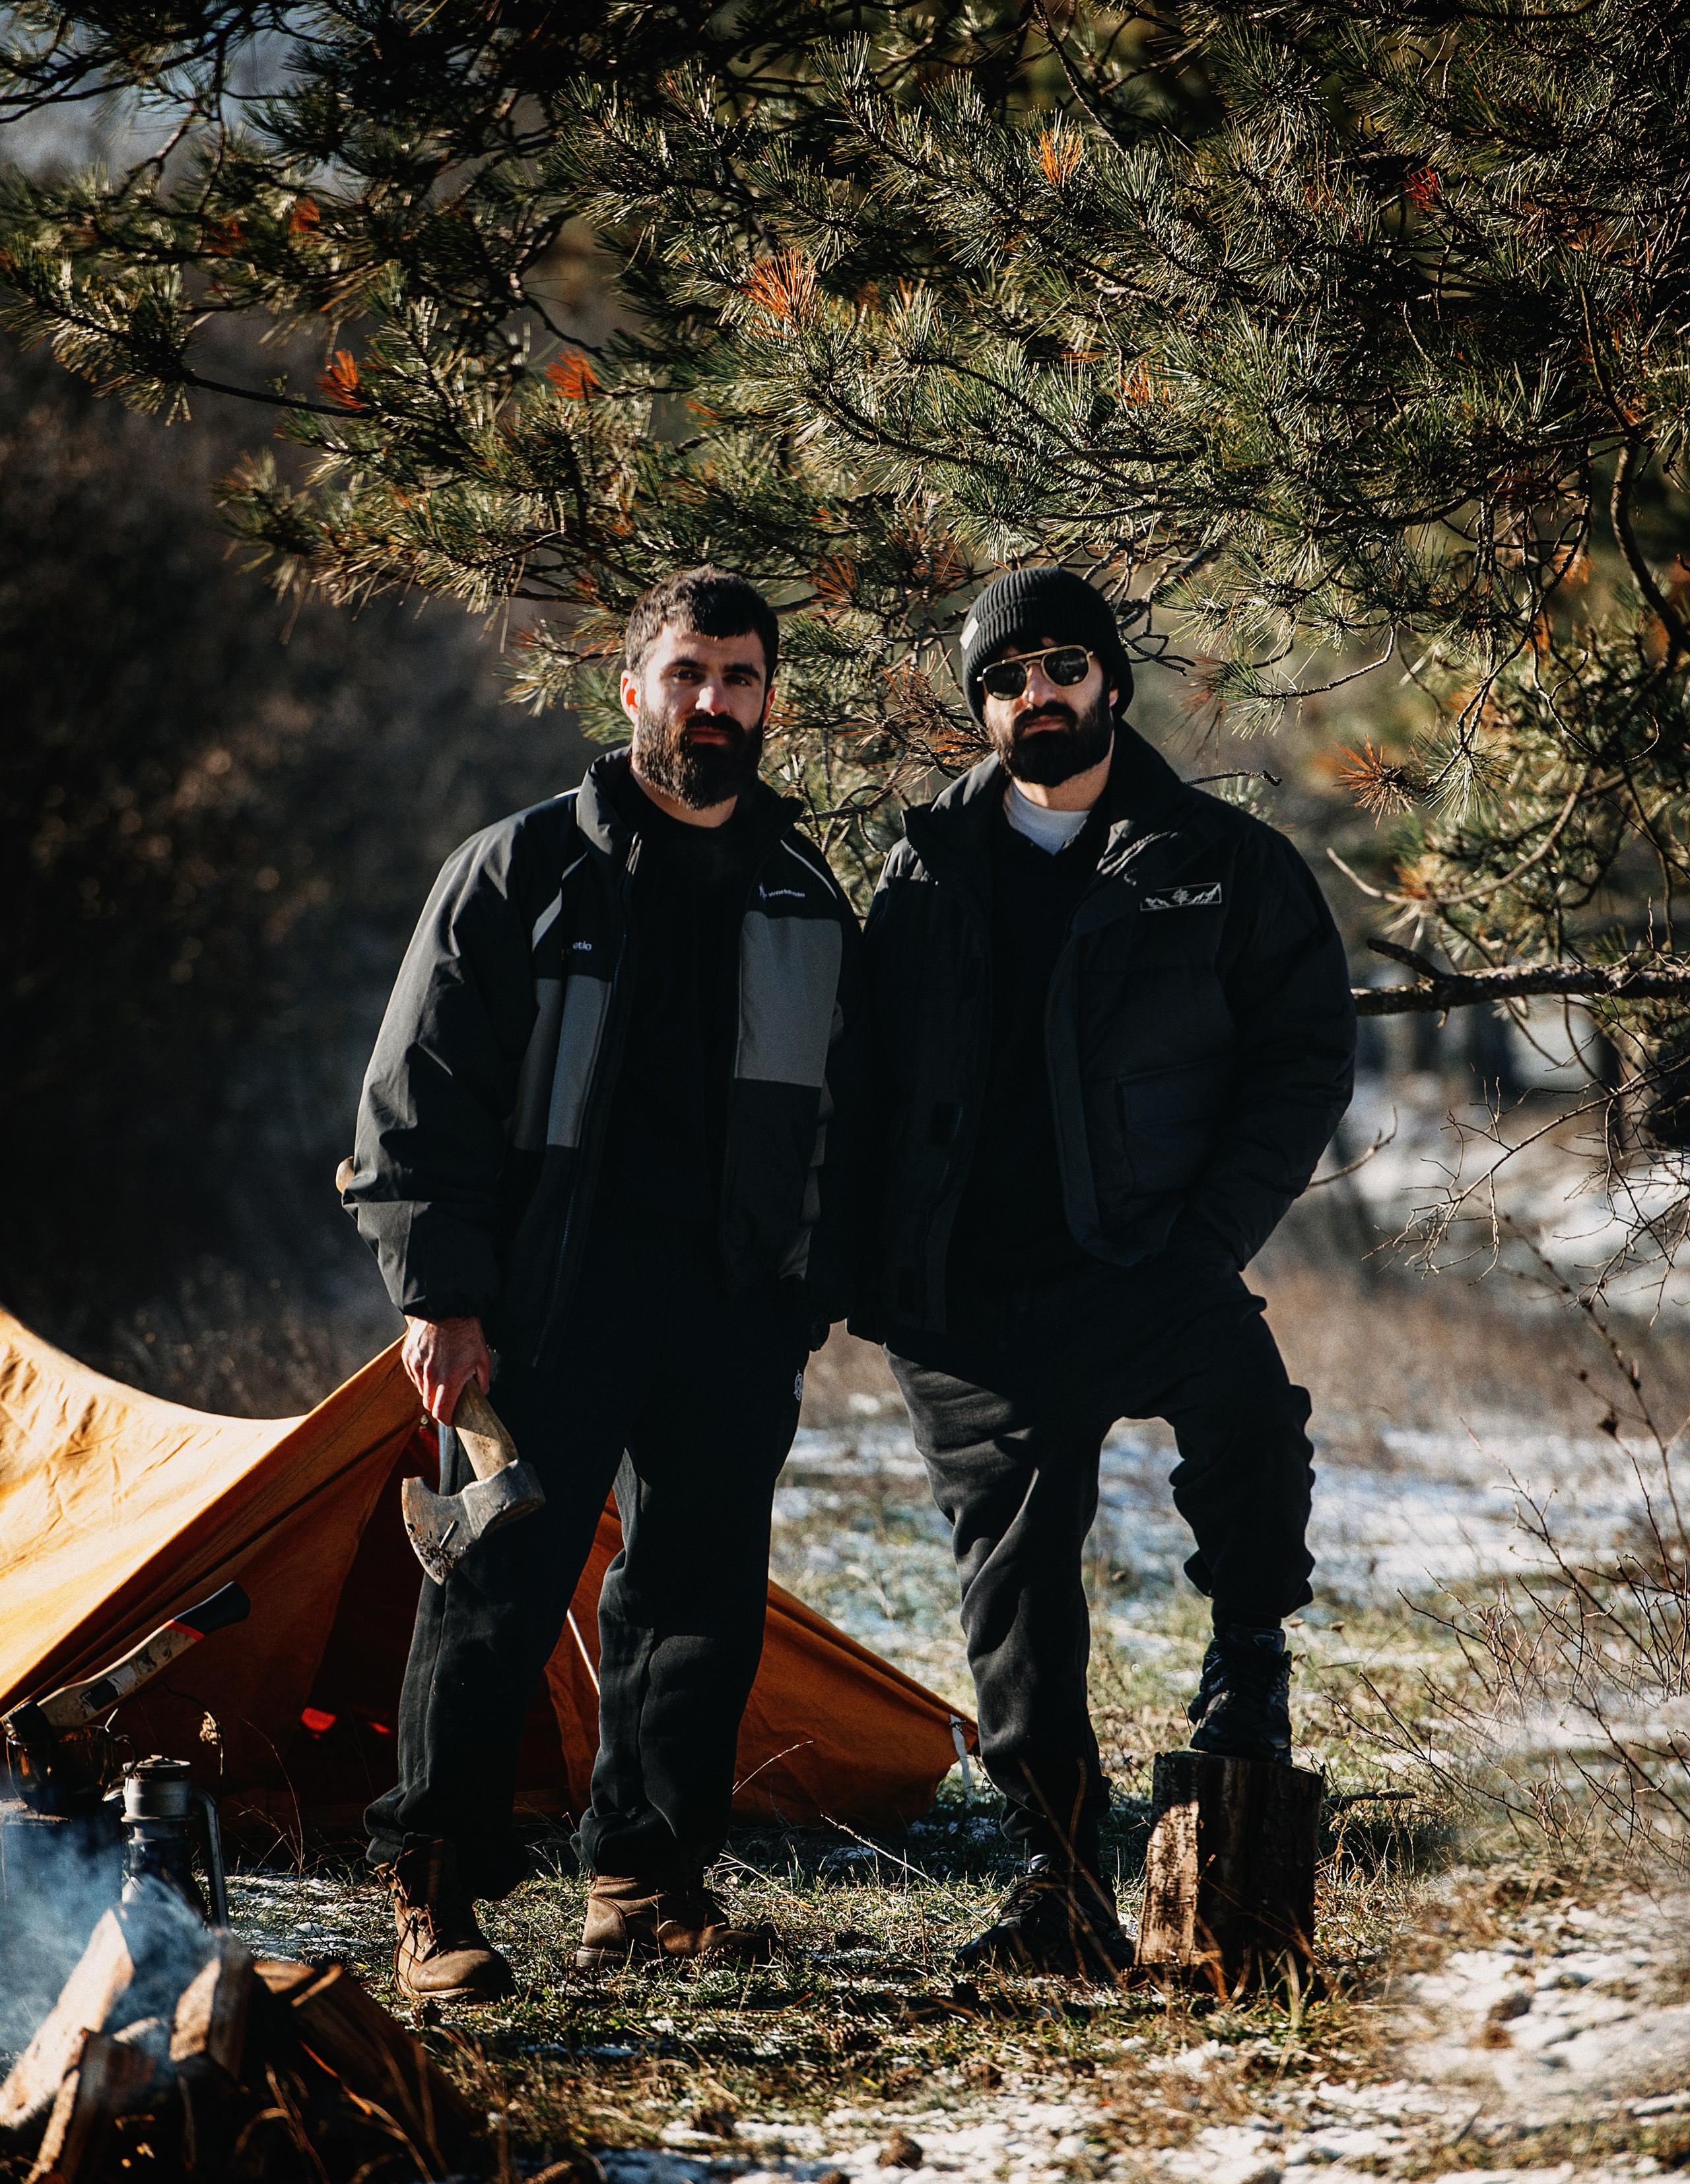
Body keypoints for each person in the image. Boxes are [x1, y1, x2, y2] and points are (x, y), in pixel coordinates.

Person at [342, 568, 865, 2001]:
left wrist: (802, 1288)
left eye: (741, 678)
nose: (714, 702)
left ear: (768, 700)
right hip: (534, 1309)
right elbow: (416, 1101)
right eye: (688, 673)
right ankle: (434, 1894)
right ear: (630, 688)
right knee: (490, 1588)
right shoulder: (516, 870)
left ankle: (643, 1886)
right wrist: (440, 1294)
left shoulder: (800, 889)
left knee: (696, 1594)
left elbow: (849, 1114)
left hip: (729, 1310)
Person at [858, 563, 1356, 1978]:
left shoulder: (1212, 856)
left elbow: (1304, 1050)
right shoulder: (920, 868)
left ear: (1111, 685)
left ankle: (1245, 1673)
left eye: (1060, 668)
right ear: (982, 707)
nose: (1036, 698)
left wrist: (1207, 1237)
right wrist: (873, 1268)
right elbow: (863, 1078)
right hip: (969, 1293)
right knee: (1009, 1577)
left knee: (1250, 1422)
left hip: (1149, 1259)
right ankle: (1053, 1866)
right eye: (1006, 680)